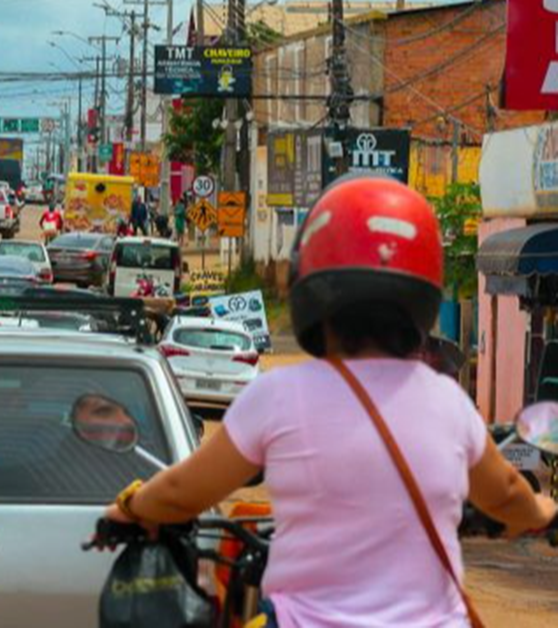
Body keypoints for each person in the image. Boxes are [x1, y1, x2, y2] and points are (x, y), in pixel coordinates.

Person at [100, 176, 557, 628]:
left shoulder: (277, 395)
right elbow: (508, 496)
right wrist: (545, 512)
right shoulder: (448, 401)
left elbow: (183, 492)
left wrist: (131, 508)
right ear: (423, 296)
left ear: (310, 291)